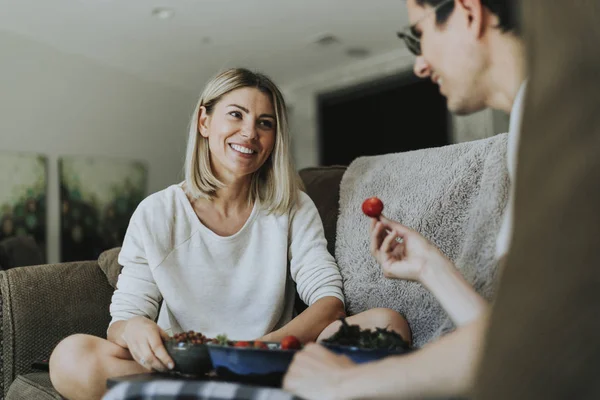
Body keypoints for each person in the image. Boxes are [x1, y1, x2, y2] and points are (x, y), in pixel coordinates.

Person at [48, 67, 410, 400]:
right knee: (70, 357)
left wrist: (257, 351)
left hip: (270, 361)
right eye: (236, 114)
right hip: (184, 368)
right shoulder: (157, 212)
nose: (250, 132)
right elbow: (124, 318)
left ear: (273, 139)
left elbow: (328, 303)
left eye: (265, 123)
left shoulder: (292, 207)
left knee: (386, 324)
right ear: (204, 121)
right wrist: (134, 330)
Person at [283, 0, 525, 398]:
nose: (420, 65)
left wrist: (346, 381)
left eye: (419, 34)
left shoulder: (565, 120)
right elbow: (511, 337)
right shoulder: (530, 126)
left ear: (468, 12)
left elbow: (531, 345)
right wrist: (430, 266)